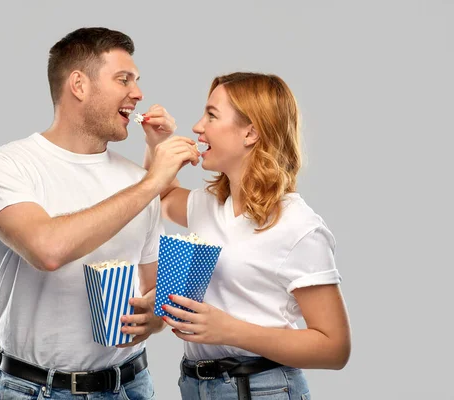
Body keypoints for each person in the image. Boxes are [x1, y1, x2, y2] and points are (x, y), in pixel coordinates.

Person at [0, 27, 199, 399]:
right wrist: (153, 181)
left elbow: (152, 282)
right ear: (78, 84)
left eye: (137, 81)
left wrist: (157, 316)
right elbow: (47, 249)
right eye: (123, 79)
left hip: (132, 385)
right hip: (39, 389)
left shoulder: (136, 178)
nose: (138, 93)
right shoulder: (6, 165)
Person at [142, 72, 351, 399]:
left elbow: (334, 348)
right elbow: (162, 196)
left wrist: (229, 330)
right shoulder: (209, 205)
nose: (197, 127)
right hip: (194, 386)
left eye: (211, 115)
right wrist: (157, 142)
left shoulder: (297, 226)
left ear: (250, 132)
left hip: (261, 388)